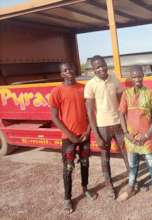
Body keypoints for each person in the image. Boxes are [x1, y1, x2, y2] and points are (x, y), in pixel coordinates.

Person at [49, 62, 96, 213]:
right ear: (61, 74)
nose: (68, 71)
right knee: (68, 168)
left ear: (75, 70)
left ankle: (85, 188)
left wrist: (88, 130)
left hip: (84, 135)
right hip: (68, 138)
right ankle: (68, 198)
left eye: (70, 68)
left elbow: (91, 112)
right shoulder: (57, 91)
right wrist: (70, 135)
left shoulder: (84, 88)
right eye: (65, 70)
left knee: (85, 163)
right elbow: (55, 118)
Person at [117, 65, 152, 207]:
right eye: (134, 76)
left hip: (146, 138)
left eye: (139, 76)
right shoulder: (126, 93)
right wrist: (126, 133)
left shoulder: (150, 93)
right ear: (131, 78)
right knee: (132, 165)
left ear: (143, 76)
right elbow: (121, 114)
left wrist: (147, 134)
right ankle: (130, 188)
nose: (137, 78)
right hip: (130, 138)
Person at [84, 55, 129, 199]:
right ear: (93, 69)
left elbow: (122, 103)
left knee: (126, 153)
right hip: (102, 126)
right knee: (105, 158)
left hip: (118, 124)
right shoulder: (90, 85)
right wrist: (96, 135)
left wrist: (126, 124)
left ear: (106, 65)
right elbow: (90, 112)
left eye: (103, 65)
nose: (101, 68)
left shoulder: (114, 79)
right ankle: (109, 186)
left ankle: (132, 179)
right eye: (97, 67)